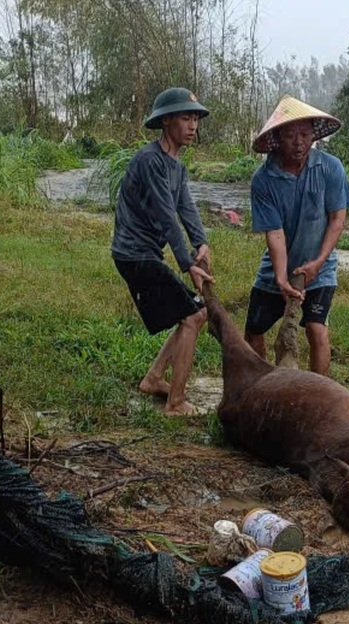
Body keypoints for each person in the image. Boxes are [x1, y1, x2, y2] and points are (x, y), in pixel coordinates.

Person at [111, 87, 214, 416]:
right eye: (186, 118)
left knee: (196, 313)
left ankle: (154, 379)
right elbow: (167, 215)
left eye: (196, 118)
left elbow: (185, 206)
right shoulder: (150, 161)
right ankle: (176, 402)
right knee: (192, 316)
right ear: (166, 120)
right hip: (134, 255)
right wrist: (187, 263)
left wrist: (202, 243)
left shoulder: (176, 166)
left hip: (146, 255)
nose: (193, 126)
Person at [244, 96, 349, 376]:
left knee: (316, 330)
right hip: (276, 268)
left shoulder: (330, 168)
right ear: (277, 137)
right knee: (253, 331)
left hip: (321, 266)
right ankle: (265, 388)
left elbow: (337, 220)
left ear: (314, 136)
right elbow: (275, 233)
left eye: (305, 134)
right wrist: (281, 277)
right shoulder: (264, 180)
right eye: (290, 135)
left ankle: (320, 395)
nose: (299, 142)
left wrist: (318, 262)